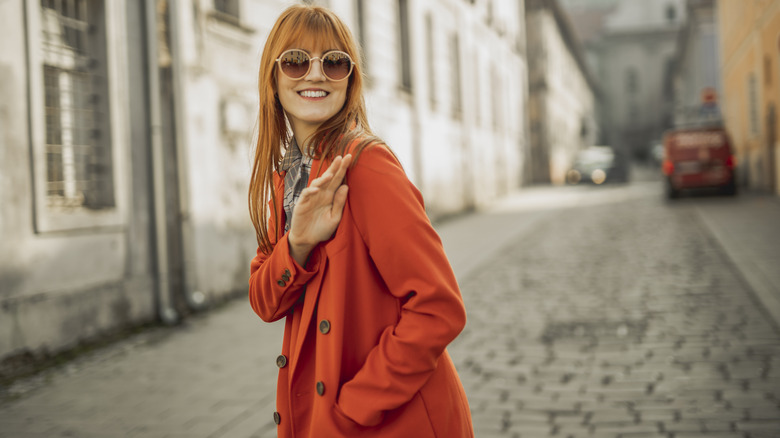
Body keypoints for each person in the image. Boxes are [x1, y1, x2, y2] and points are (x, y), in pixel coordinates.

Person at [247, 5, 473, 437]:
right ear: (273, 78)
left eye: (333, 63)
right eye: (296, 61)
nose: (314, 75)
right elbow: (265, 302)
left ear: (349, 80)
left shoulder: (366, 167)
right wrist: (296, 244)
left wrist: (351, 408)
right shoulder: (288, 179)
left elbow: (438, 308)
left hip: (390, 422)